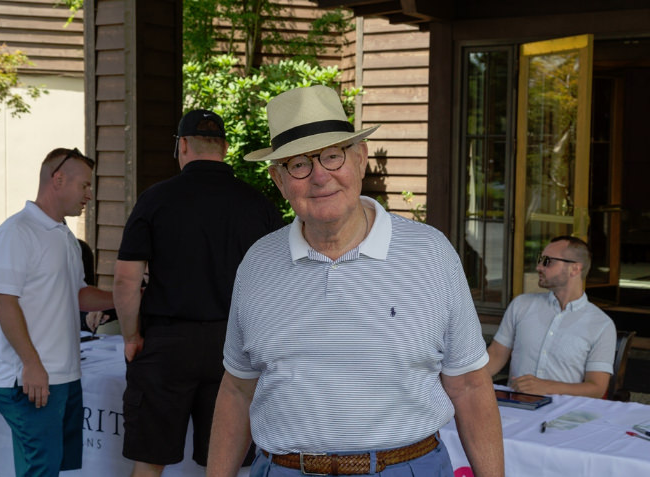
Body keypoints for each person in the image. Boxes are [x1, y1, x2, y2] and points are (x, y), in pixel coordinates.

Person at [206, 85, 504, 477]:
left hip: (406, 469)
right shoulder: (258, 263)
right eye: (298, 164)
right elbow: (238, 389)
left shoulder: (430, 253)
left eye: (332, 156)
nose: (320, 176)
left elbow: (469, 386)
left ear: (360, 159)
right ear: (279, 180)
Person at [114, 109, 284, 476]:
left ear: (183, 145)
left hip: (166, 343)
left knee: (149, 461)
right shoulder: (258, 205)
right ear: (224, 147)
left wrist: (131, 336)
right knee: (228, 463)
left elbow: (126, 281)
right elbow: (281, 282)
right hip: (236, 346)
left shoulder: (155, 199)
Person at [0, 147, 115, 476]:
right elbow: (3, 301)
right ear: (58, 180)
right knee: (41, 470)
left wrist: (126, 297)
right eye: (84, 186)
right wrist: (31, 364)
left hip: (64, 375)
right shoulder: (17, 232)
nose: (89, 195)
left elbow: (78, 296)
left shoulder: (64, 236)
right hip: (31, 379)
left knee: (50, 468)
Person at [486, 236, 616, 398]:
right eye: (540, 260)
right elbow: (496, 355)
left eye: (548, 261)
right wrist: (463, 382)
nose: (539, 267)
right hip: (517, 406)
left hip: (564, 414)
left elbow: (596, 388)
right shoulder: (521, 305)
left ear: (575, 269)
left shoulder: (601, 325)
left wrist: (547, 387)